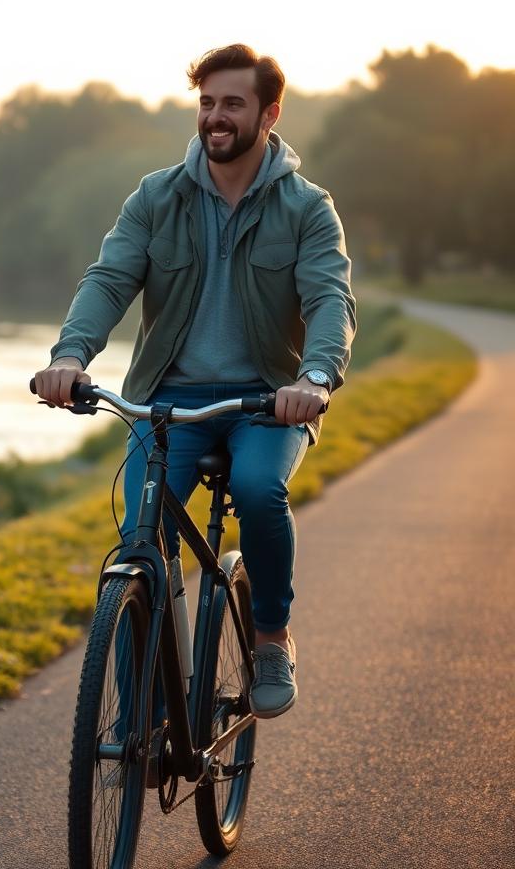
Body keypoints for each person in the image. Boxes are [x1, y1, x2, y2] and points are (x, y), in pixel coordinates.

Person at [33, 43, 356, 723]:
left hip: (266, 401)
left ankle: (270, 636)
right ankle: (139, 717)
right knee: (138, 542)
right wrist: (70, 356)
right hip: (167, 402)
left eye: (232, 104)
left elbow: (330, 301)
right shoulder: (157, 197)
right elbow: (110, 279)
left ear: (269, 113)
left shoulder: (306, 209)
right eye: (207, 103)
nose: (215, 117)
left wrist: (317, 377)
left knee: (260, 490)